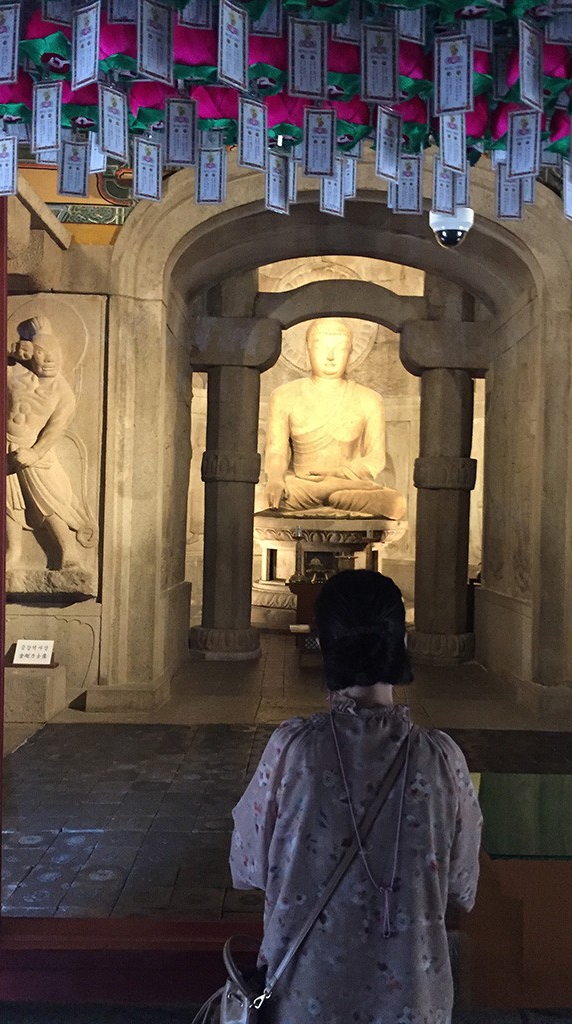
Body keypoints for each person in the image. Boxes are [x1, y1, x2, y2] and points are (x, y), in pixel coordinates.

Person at [230, 570, 482, 1024]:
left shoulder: (294, 750)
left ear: (324, 645)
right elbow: (461, 884)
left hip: (306, 995)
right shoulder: (442, 759)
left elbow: (250, 866)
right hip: (411, 995)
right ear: (400, 644)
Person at [263, 318, 406, 520]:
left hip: (350, 485)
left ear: (350, 351)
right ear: (308, 349)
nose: (330, 357)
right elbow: (276, 449)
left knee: (395, 502)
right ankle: (333, 497)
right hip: (303, 486)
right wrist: (276, 479)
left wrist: (336, 475)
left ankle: (330, 494)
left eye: (339, 349)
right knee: (258, 499)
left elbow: (375, 459)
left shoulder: (369, 399)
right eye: (322, 347)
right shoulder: (284, 395)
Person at [6, 316, 96, 571]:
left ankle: (68, 550)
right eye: (41, 355)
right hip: (5, 445)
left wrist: (34, 453)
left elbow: (55, 430)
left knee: (48, 501)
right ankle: (14, 551)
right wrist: (11, 350)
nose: (48, 361)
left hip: (36, 453)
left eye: (53, 355)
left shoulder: (63, 392)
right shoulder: (15, 373)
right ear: (29, 353)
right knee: (8, 502)